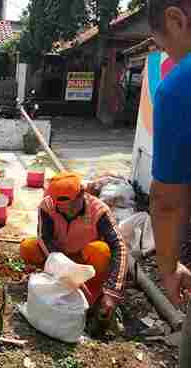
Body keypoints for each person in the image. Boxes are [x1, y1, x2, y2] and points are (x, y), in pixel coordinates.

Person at [20, 172, 128, 325]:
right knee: (28, 247)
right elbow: (45, 238)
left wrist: (113, 291)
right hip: (60, 257)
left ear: (82, 194)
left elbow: (120, 247)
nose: (67, 212)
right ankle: (55, 282)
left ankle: (93, 297)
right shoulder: (47, 206)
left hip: (86, 262)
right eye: (61, 208)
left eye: (71, 206)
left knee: (101, 251)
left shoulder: (99, 210)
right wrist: (64, 268)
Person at [148, 1, 191, 365]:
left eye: (163, 45)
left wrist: (168, 266)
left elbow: (167, 201)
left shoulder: (179, 86)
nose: (168, 55)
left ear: (176, 20)